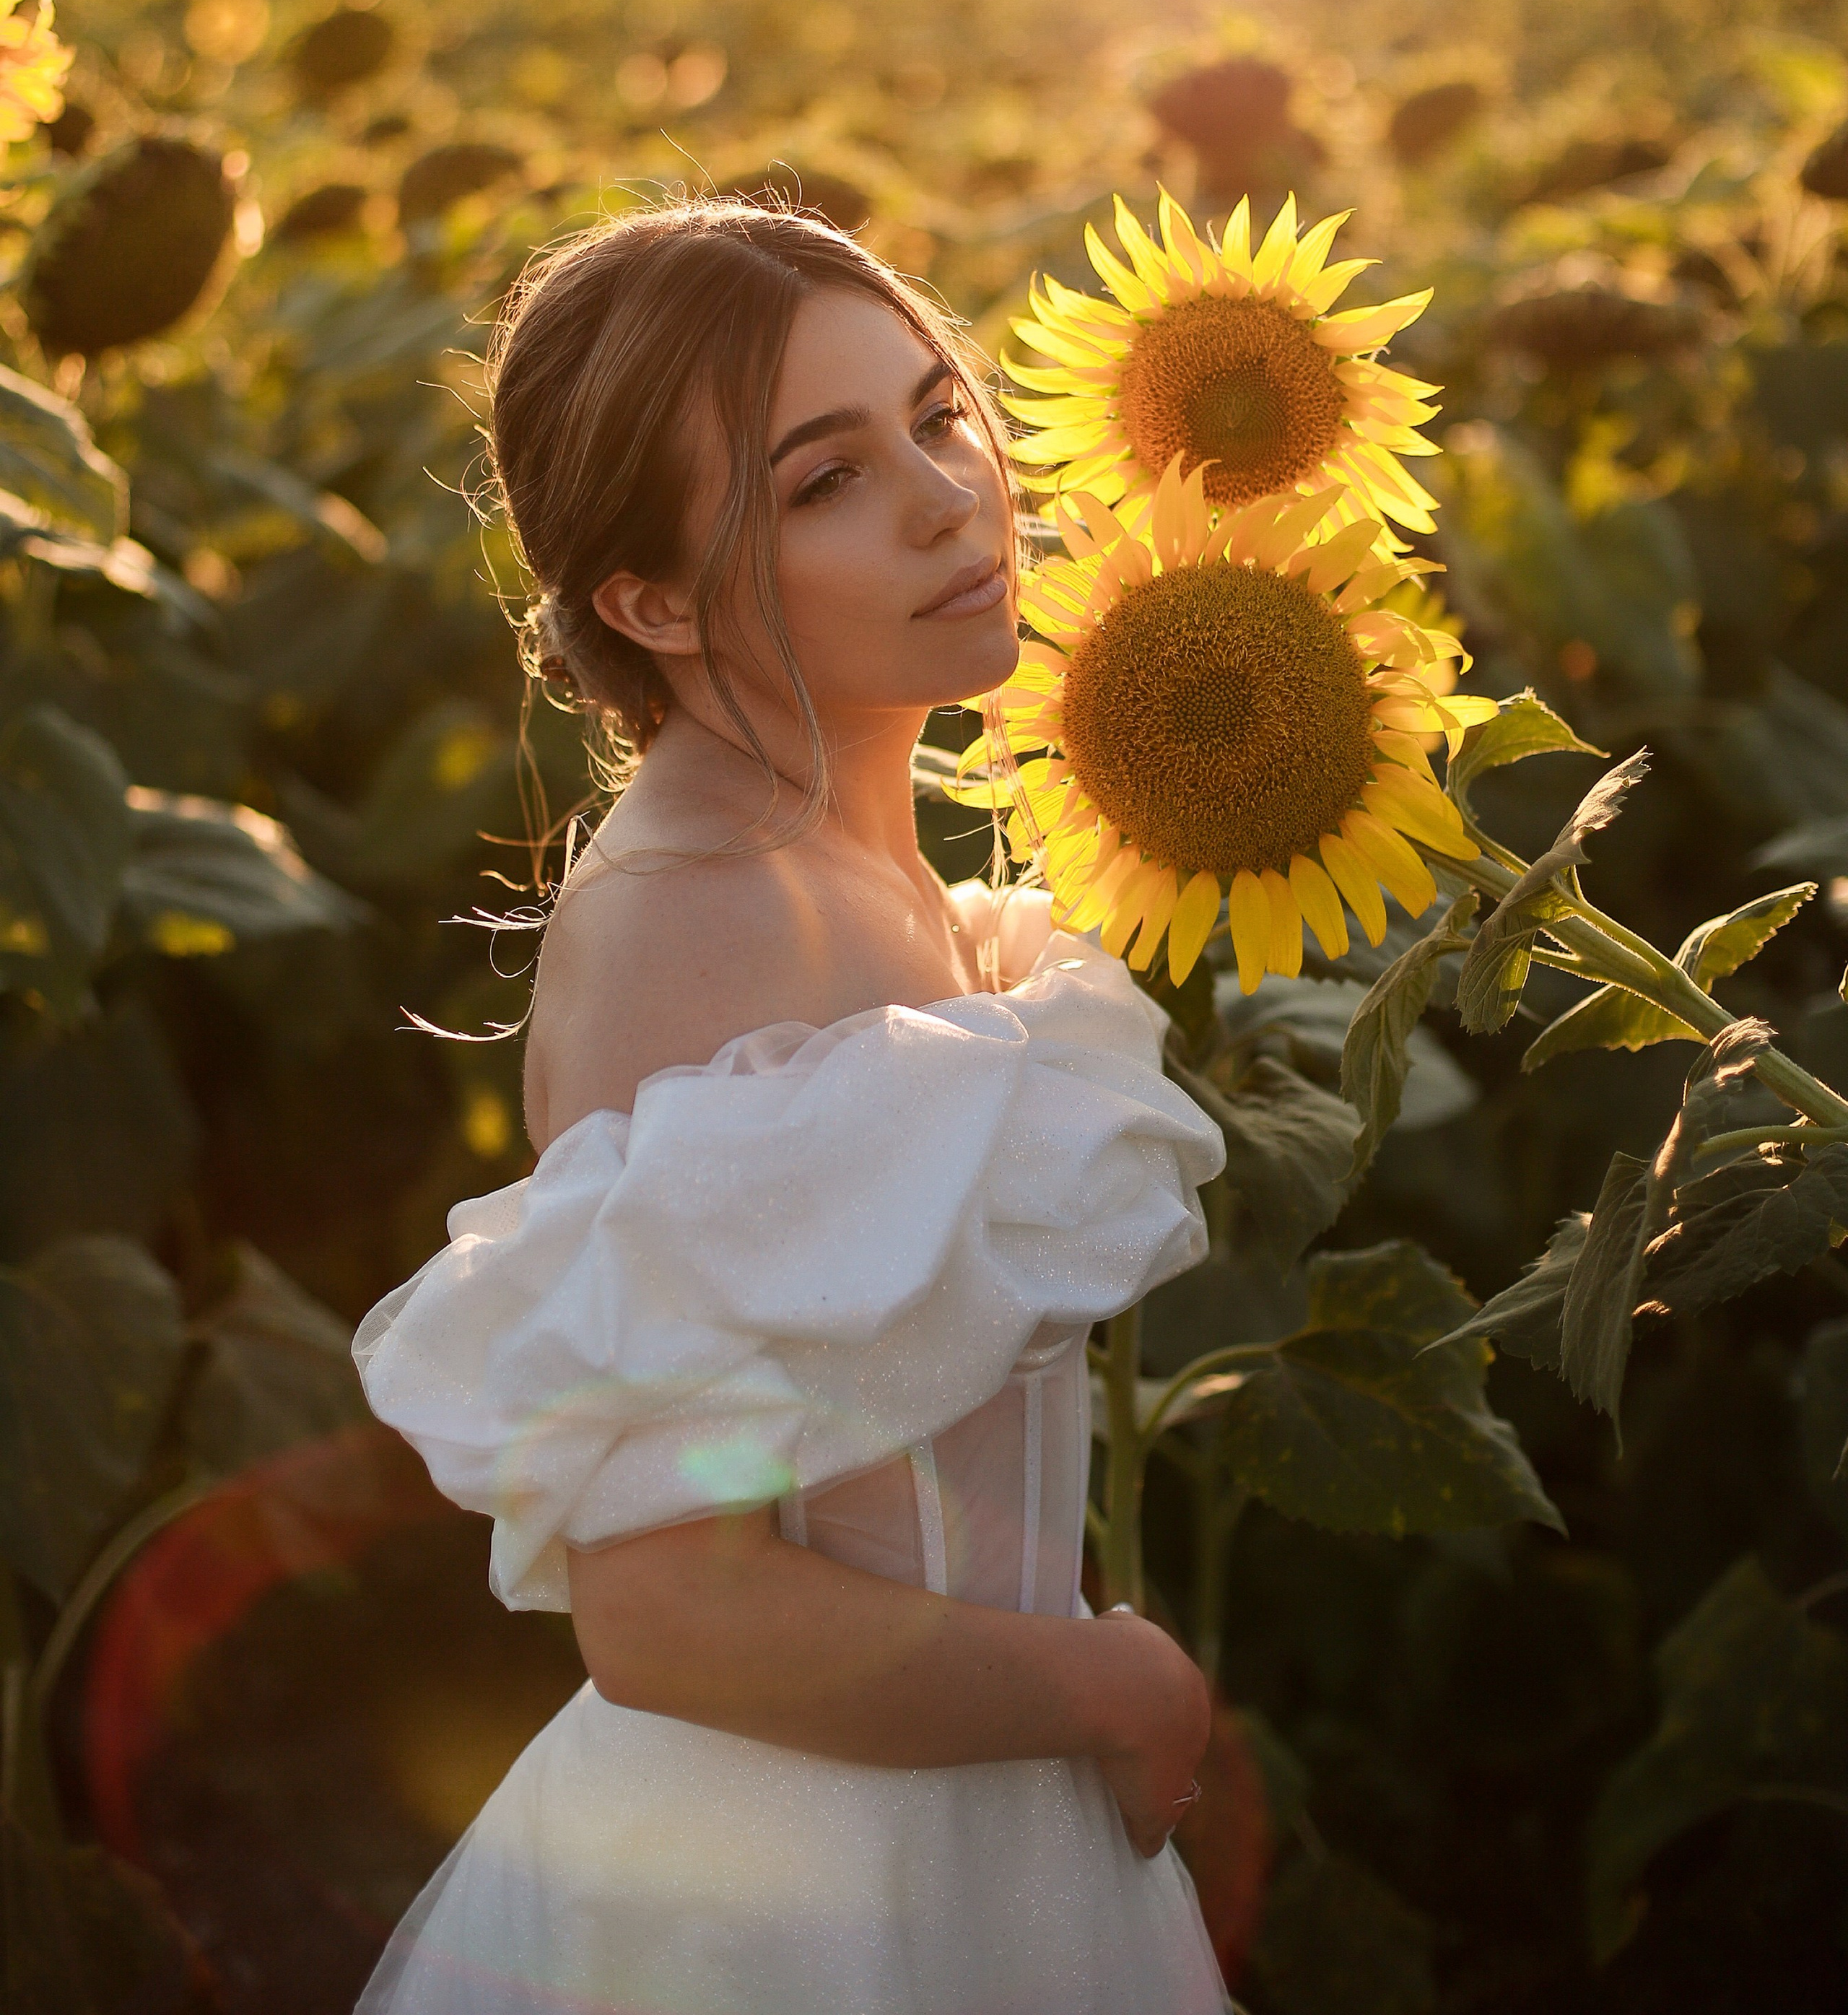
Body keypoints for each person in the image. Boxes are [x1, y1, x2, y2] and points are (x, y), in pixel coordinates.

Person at [352, 200, 1230, 2014]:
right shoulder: (704, 919)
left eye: (936, 416)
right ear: (652, 602)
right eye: (825, 480)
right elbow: (673, 1608)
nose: (946, 499)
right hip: (804, 1886)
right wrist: (1105, 1681)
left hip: (950, 1806)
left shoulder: (848, 864)